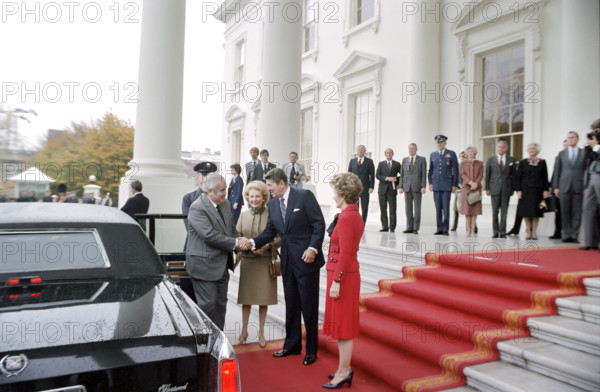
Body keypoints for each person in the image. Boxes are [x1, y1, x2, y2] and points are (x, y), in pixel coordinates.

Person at [246, 168, 325, 366]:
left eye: (271, 185)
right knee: (292, 305)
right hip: (288, 262)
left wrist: (313, 248)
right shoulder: (272, 205)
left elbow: (319, 224)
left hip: (307, 261)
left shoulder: (304, 196)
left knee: (309, 306)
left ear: (281, 183)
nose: (269, 189)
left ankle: (312, 350)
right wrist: (251, 242)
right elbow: (270, 232)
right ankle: (292, 345)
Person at [186, 173, 247, 330]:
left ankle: (218, 341)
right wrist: (236, 243)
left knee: (221, 305)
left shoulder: (225, 204)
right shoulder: (197, 208)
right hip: (204, 266)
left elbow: (231, 229)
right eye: (222, 190)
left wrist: (239, 242)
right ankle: (203, 340)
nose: (225, 194)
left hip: (221, 265)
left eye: (225, 190)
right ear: (209, 192)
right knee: (208, 305)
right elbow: (209, 235)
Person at [322, 173, 364, 389]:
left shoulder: (348, 217)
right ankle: (343, 368)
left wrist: (336, 281)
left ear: (344, 194)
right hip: (341, 273)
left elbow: (347, 252)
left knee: (344, 327)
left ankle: (344, 370)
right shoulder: (349, 214)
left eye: (335, 192)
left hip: (343, 276)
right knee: (340, 326)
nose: (333, 197)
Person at [235, 181, 278, 348]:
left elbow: (279, 236)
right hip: (248, 262)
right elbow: (237, 235)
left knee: (263, 299)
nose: (254, 199)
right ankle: (244, 331)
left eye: (257, 196)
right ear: (247, 197)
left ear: (264, 197)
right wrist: (244, 244)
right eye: (251, 196)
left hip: (264, 261)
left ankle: (261, 332)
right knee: (246, 300)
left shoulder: (271, 213)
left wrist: (267, 246)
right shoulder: (243, 215)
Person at [552, 132, 585, 243]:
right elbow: (557, 171)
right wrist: (555, 187)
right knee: (564, 211)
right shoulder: (561, 154)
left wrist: (585, 186)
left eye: (573, 137)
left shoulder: (583, 153)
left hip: (578, 187)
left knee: (577, 212)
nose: (570, 139)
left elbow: (586, 171)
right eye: (569, 138)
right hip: (564, 187)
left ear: (577, 139)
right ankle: (566, 234)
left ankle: (574, 235)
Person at [516, 143, 550, 240]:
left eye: (533, 148)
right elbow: (518, 178)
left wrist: (546, 189)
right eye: (530, 148)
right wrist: (518, 190)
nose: (531, 150)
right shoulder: (523, 162)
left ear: (537, 150)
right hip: (525, 190)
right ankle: (528, 232)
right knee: (526, 212)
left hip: (538, 190)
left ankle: (534, 232)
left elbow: (545, 177)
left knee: (536, 212)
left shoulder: (542, 162)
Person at [485, 140, 517, 238]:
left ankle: (502, 231)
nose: (501, 148)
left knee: (504, 212)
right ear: (497, 148)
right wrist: (487, 188)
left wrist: (513, 188)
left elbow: (514, 175)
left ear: (506, 148)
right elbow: (487, 175)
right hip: (494, 189)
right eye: (499, 147)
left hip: (506, 189)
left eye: (503, 147)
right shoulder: (491, 159)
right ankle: (495, 231)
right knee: (495, 212)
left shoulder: (511, 160)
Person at [182, 161, 218, 247]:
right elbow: (189, 226)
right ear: (197, 177)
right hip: (195, 245)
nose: (207, 179)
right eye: (204, 175)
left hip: (215, 246)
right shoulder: (188, 199)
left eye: (210, 176)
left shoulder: (220, 199)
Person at [428, 135, 459, 235]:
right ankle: (439, 228)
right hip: (436, 184)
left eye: (441, 142)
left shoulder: (451, 154)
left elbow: (456, 170)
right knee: (438, 208)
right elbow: (431, 170)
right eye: (438, 143)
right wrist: (430, 183)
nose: (439, 144)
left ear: (445, 143)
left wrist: (454, 184)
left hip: (447, 184)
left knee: (446, 207)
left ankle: (445, 229)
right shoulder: (433, 154)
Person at [579, 122, 600, 252]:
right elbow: (586, 160)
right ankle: (590, 242)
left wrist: (597, 146)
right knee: (588, 209)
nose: (596, 134)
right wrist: (589, 146)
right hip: (592, 177)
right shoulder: (594, 145)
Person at [399, 143, 427, 234]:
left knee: (417, 208)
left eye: (413, 148)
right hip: (407, 187)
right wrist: (400, 186)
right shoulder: (404, 160)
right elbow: (402, 174)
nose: (411, 150)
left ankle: (415, 228)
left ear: (416, 149)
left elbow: (423, 174)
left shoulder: (422, 159)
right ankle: (409, 227)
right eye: (410, 148)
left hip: (417, 187)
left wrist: (423, 186)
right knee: (408, 208)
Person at [348, 145, 375, 224]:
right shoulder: (352, 161)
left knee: (365, 207)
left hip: (365, 188)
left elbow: (372, 175)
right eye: (359, 149)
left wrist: (371, 187)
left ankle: (362, 224)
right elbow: (349, 174)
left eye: (362, 150)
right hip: (354, 188)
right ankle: (355, 222)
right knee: (355, 207)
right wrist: (349, 186)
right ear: (356, 151)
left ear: (364, 151)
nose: (360, 151)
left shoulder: (369, 161)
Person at [375, 148, 401, 232]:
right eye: (387, 153)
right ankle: (385, 227)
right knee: (383, 209)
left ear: (393, 154)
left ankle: (392, 227)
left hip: (392, 189)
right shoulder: (381, 164)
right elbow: (377, 175)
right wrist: (387, 178)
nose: (389, 154)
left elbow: (402, 175)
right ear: (385, 154)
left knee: (393, 209)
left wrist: (398, 184)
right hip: (382, 190)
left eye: (390, 153)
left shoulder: (397, 164)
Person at [460, 146, 483, 236]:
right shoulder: (463, 163)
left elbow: (481, 175)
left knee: (474, 210)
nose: (470, 153)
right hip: (466, 187)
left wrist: (476, 183)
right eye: (468, 151)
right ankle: (468, 229)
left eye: (471, 151)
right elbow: (463, 174)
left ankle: (473, 229)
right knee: (467, 210)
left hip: (476, 188)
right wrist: (470, 182)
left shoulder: (480, 163)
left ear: (475, 153)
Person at [549, 140, 568, 239]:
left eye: (567, 145)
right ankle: (557, 232)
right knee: (558, 212)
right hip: (558, 190)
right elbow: (555, 173)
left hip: (570, 189)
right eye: (564, 145)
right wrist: (552, 187)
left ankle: (567, 233)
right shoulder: (559, 157)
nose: (566, 147)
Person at [451, 151, 466, 232]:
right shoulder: (457, 166)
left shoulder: (468, 166)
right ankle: (454, 226)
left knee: (467, 208)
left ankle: (473, 226)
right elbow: (454, 176)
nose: (463, 158)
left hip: (465, 189)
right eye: (461, 157)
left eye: (464, 157)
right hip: (458, 189)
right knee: (455, 208)